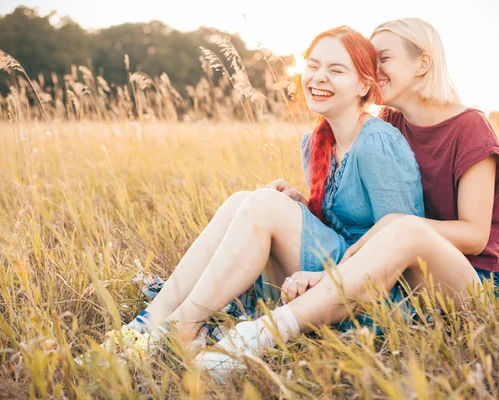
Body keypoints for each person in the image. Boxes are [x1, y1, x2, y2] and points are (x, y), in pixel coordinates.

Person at [193, 18, 499, 380]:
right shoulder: (388, 122)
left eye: (383, 59)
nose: (372, 70)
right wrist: (304, 204)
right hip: (398, 267)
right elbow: (364, 215)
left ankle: (262, 334)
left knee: (405, 229)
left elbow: (475, 235)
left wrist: (395, 227)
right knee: (265, 205)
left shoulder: (469, 126)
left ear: (422, 64)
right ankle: (183, 321)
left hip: (465, 279)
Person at [93, 25, 424, 367]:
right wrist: (301, 203)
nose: (318, 77)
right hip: (324, 270)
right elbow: (339, 220)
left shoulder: (377, 141)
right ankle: (149, 322)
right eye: (312, 65)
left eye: (336, 70)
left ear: (365, 84)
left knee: (265, 206)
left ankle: (183, 328)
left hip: (373, 290)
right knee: (242, 200)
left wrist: (315, 257)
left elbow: (398, 238)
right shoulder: (316, 143)